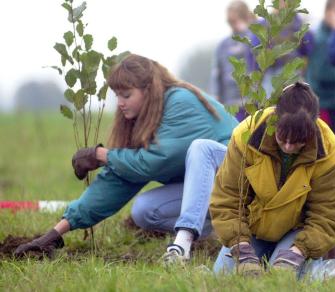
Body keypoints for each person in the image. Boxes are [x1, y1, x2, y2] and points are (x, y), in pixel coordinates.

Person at [14, 54, 238, 258]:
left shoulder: (179, 103)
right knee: (144, 211)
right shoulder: (141, 118)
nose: (120, 102)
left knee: (196, 153)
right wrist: (55, 232)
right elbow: (119, 179)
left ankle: (194, 241)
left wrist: (102, 154)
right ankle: (223, 233)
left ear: (148, 90)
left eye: (126, 95)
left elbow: (152, 162)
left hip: (241, 183)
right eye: (117, 95)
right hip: (213, 189)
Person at [210, 82, 335, 276]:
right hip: (254, 229)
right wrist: (242, 250)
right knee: (224, 278)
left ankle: (325, 269)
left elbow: (327, 216)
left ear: (313, 126)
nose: (289, 147)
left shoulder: (331, 154)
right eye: (283, 138)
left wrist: (297, 252)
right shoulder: (246, 135)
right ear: (275, 120)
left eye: (299, 140)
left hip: (298, 232)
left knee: (280, 278)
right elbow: (228, 199)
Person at [306, 0, 335, 135]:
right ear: (328, 13)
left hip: (334, 101)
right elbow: (322, 73)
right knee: (326, 144)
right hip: (322, 102)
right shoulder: (321, 39)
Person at [209, 1, 255, 121]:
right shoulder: (222, 46)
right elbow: (216, 75)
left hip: (253, 102)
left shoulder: (256, 39)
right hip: (231, 105)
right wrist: (215, 100)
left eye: (235, 21)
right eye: (230, 22)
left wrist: (247, 30)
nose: (233, 25)